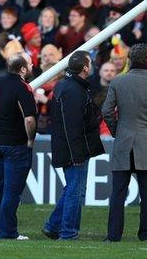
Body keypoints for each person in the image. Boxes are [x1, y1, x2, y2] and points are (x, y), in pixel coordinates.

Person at [102, 43, 147, 242]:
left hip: (124, 140)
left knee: (118, 192)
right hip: (146, 141)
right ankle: (145, 234)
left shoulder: (118, 81)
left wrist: (117, 131)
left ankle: (113, 235)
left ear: (130, 60)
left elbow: (107, 111)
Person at [42, 51, 105, 240]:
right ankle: (67, 232)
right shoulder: (73, 90)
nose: (92, 65)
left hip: (68, 146)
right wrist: (77, 154)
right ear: (85, 68)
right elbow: (73, 126)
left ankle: (54, 226)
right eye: (90, 63)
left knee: (73, 188)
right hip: (73, 149)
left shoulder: (66, 86)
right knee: (75, 189)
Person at [0, 52, 36, 240]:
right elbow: (29, 119)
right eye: (29, 64)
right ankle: (8, 232)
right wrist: (30, 140)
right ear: (22, 68)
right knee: (11, 191)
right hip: (15, 145)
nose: (32, 67)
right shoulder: (24, 88)